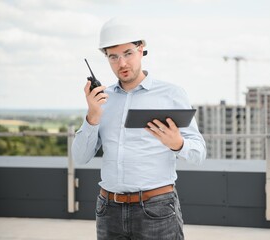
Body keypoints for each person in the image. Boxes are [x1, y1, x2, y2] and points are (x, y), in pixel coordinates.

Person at [72, 17, 206, 240]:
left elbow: (199, 153)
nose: (122, 64)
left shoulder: (171, 94)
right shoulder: (103, 100)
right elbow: (80, 157)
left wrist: (178, 144)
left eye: (127, 54)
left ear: (141, 49)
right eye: (113, 57)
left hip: (156, 210)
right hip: (108, 210)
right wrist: (92, 117)